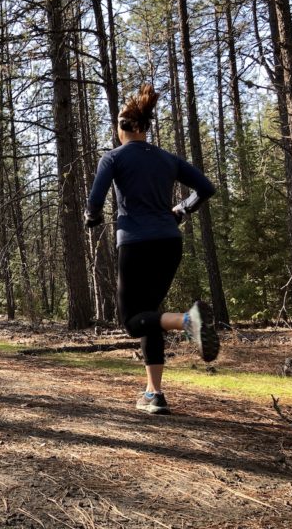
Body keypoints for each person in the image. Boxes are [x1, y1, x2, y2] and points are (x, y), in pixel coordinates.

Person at [84, 83, 220, 415]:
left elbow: (95, 201)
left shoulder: (113, 158)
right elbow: (206, 187)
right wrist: (182, 210)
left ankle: (189, 320)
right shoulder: (167, 159)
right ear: (145, 127)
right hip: (169, 243)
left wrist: (92, 217)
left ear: (122, 129)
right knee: (152, 316)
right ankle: (154, 394)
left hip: (135, 243)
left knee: (132, 322)